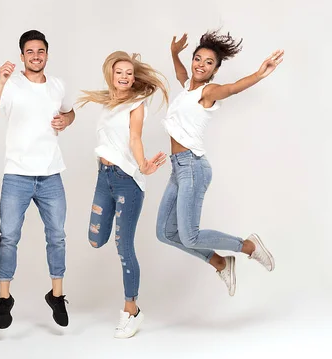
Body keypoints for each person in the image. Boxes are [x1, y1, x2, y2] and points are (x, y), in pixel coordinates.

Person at [156, 30, 283, 296]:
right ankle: (220, 262)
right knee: (165, 233)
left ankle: (248, 246)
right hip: (178, 168)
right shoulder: (187, 88)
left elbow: (232, 88)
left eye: (208, 62)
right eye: (197, 59)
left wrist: (260, 74)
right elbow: (181, 74)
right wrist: (173, 54)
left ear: (215, 69)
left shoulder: (209, 91)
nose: (200, 65)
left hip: (193, 167)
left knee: (189, 235)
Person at [0, 30, 75, 329]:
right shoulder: (11, 83)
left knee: (57, 236)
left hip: (51, 174)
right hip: (17, 174)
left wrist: (66, 120)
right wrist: (0, 80)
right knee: (9, 236)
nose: (36, 56)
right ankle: (5, 298)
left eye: (41, 51)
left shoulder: (58, 85)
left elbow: (70, 112)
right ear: (22, 56)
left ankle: (57, 295)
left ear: (47, 54)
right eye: (30, 52)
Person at [79, 51, 168, 338]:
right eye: (120, 72)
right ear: (112, 74)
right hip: (103, 178)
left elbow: (134, 138)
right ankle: (131, 308)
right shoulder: (107, 103)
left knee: (123, 245)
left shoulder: (136, 104)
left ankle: (132, 310)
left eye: (129, 73)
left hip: (127, 181)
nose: (125, 77)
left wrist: (142, 164)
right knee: (95, 240)